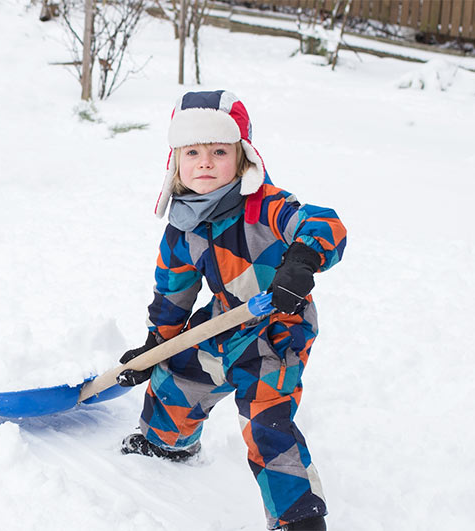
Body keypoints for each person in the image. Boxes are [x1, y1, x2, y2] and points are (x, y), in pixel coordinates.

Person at [114, 90, 346, 531]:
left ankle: (297, 519)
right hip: (224, 318)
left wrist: (301, 260)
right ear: (176, 162)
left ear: (242, 159)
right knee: (178, 375)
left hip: (278, 329)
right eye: (193, 152)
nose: (205, 162)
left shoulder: (268, 206)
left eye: (219, 151)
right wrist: (155, 345)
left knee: (266, 423)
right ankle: (169, 444)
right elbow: (173, 293)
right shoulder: (183, 226)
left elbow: (324, 223)